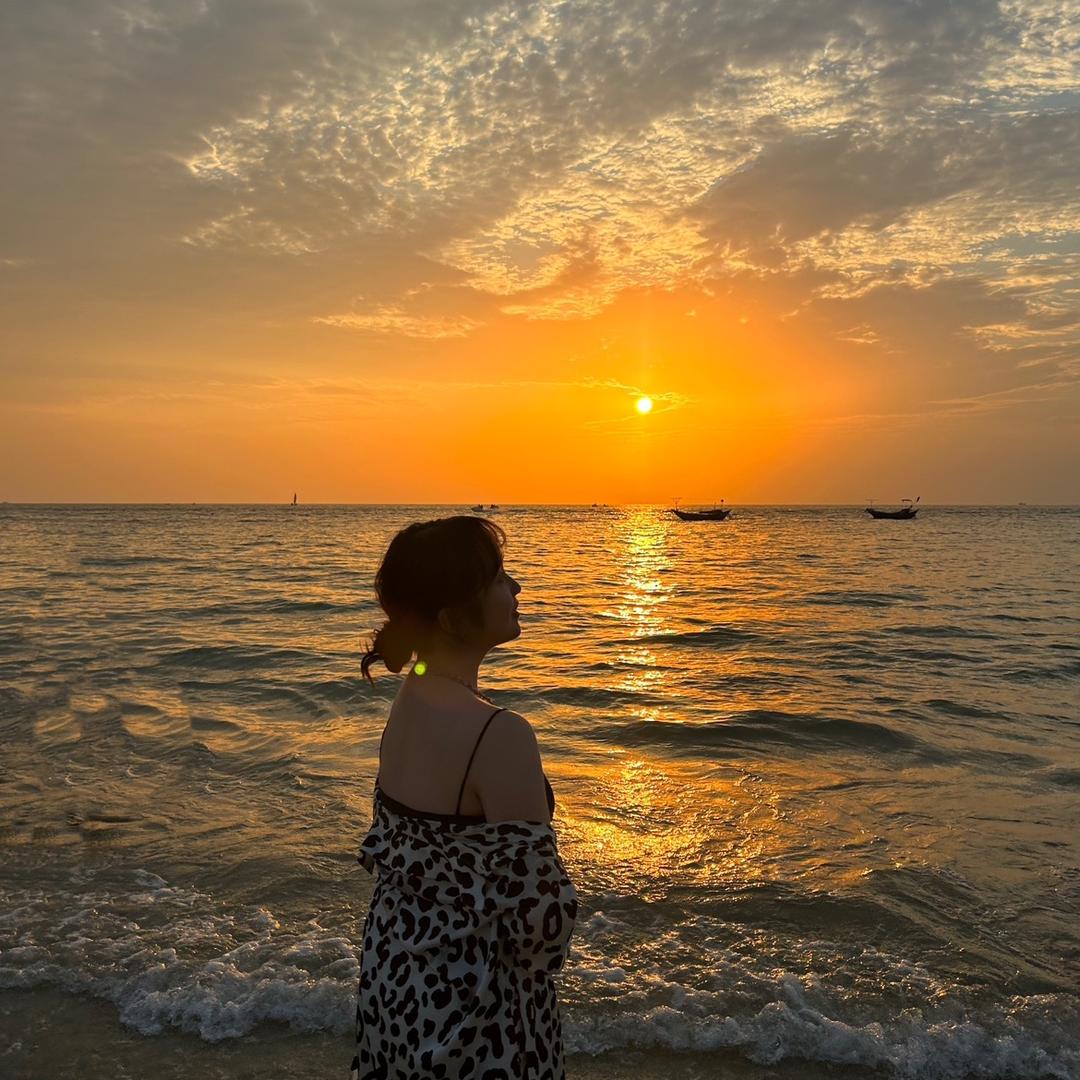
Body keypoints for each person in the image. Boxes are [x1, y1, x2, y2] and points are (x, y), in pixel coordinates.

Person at [351, 515, 578, 1080]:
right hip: (475, 1015)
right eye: (499, 578)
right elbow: (542, 923)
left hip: (394, 982)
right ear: (453, 616)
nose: (516, 588)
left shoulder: (408, 701)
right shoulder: (499, 735)